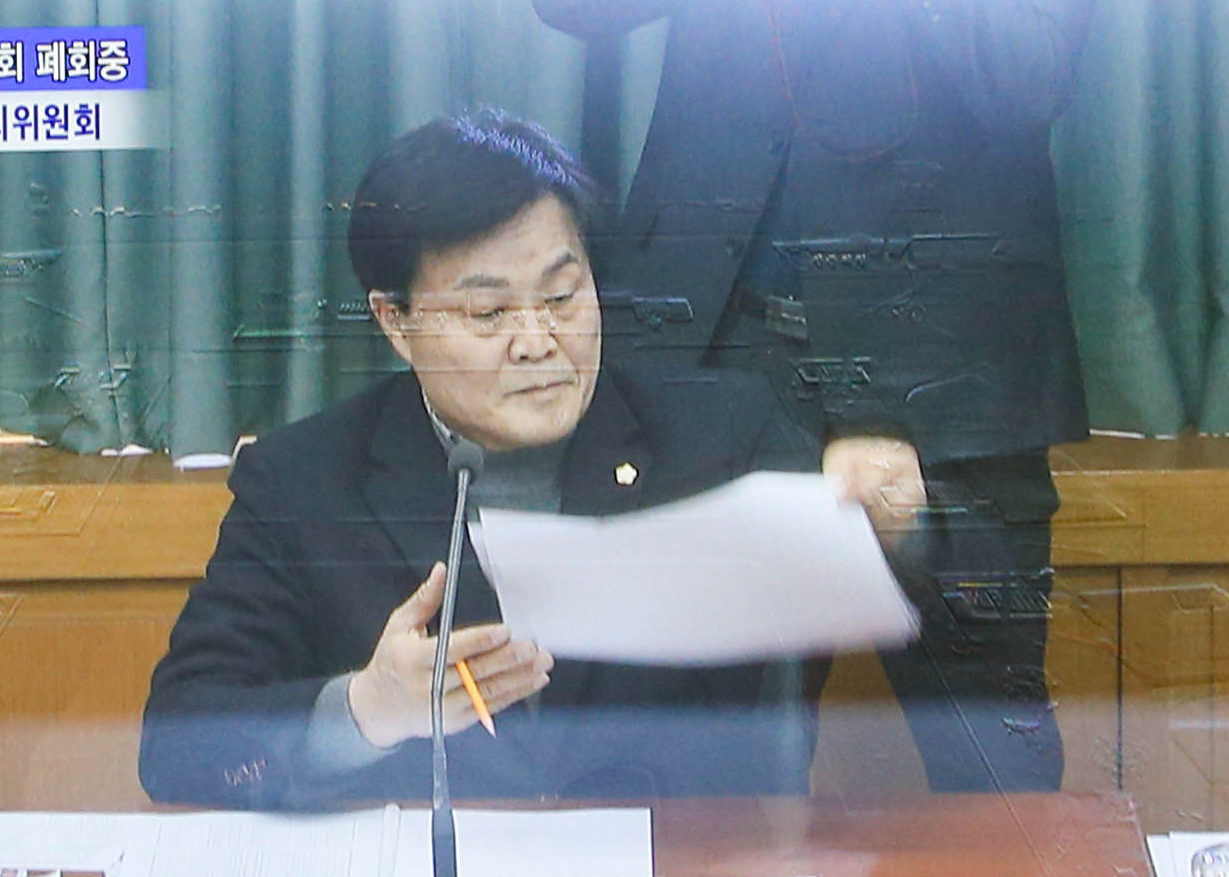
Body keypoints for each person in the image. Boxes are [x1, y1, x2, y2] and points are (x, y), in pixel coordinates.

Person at [138, 109, 923, 811]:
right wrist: (367, 711)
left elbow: (914, 588)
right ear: (396, 322)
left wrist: (895, 524)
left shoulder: (724, 435)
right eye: (487, 312)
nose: (539, 341)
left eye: (561, 297)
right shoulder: (304, 481)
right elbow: (176, 748)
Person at [532, 0, 1097, 791]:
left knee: (993, 763)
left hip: (945, 376)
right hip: (722, 357)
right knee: (708, 782)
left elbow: (1029, 73)